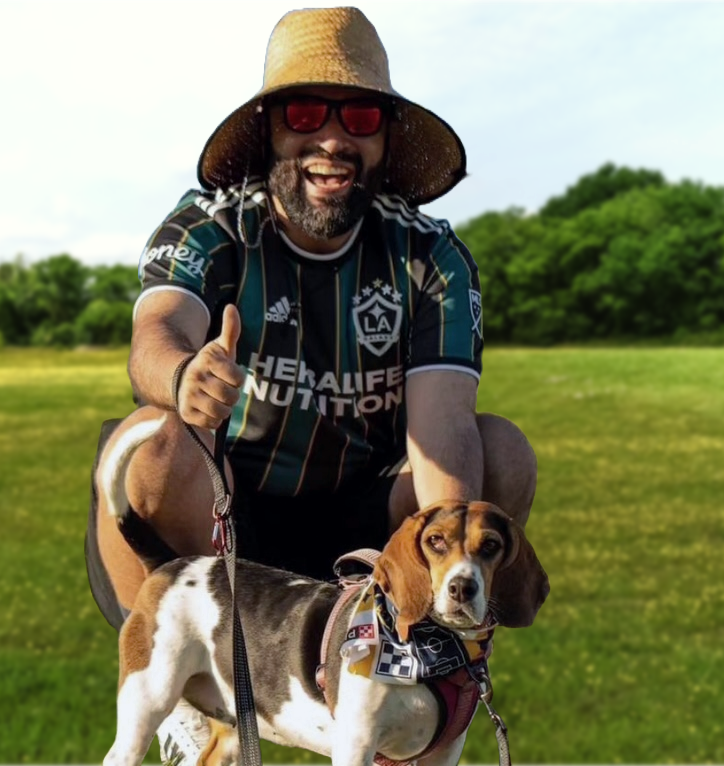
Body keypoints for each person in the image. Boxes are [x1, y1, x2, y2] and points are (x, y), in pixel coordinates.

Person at [86, 7, 537, 765]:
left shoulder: (430, 255)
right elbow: (156, 332)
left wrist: (442, 597)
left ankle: (423, 663)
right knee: (151, 441)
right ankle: (193, 698)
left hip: (361, 517)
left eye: (359, 115)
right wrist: (184, 375)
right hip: (228, 503)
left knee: (503, 451)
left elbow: (445, 428)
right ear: (271, 128)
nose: (333, 138)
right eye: (305, 112)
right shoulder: (211, 225)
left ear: (385, 136)